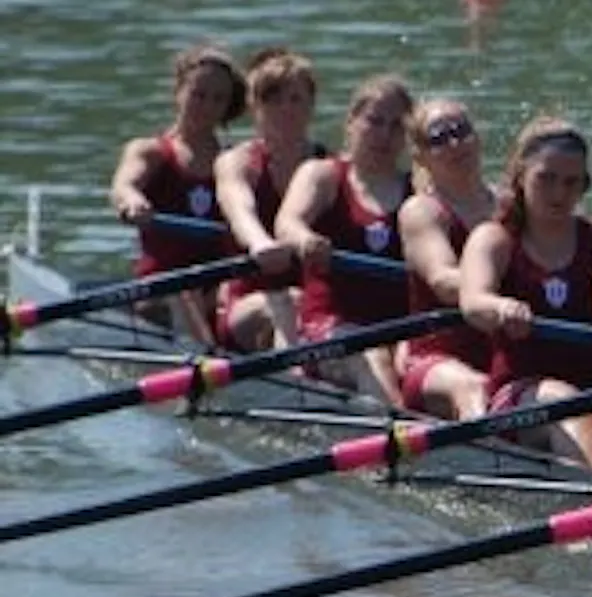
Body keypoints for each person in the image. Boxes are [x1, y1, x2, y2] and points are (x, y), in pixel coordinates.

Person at [458, 116, 592, 471]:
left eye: (571, 183)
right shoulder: (495, 240)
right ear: (521, 176)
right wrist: (500, 307)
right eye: (547, 179)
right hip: (519, 397)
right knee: (561, 399)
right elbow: (472, 302)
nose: (558, 194)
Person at [274, 75, 414, 405]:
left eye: (396, 126)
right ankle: (399, 440)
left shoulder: (418, 191)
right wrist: (304, 239)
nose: (384, 135)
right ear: (351, 123)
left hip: (402, 329)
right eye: (375, 121)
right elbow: (287, 222)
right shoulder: (323, 175)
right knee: (374, 356)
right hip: (329, 328)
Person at [109, 44, 247, 346]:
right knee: (182, 294)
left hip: (218, 289)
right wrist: (132, 201)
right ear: (179, 91)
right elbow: (124, 185)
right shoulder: (151, 152)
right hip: (161, 289)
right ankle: (208, 364)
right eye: (198, 94)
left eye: (218, 99)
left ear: (228, 106)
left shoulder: (237, 162)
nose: (207, 106)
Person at [213, 47, 324, 352]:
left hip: (318, 310)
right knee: (289, 301)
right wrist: (260, 242)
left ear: (311, 105)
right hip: (246, 304)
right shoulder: (236, 163)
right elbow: (240, 209)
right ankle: (295, 386)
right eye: (273, 100)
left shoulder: (328, 168)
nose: (286, 110)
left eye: (295, 99)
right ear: (254, 107)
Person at [396, 98, 499, 419]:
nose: (455, 143)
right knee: (474, 387)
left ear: (477, 138)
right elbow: (443, 280)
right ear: (421, 157)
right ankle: (490, 461)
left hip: (502, 354)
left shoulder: (511, 204)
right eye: (439, 138)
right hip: (436, 359)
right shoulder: (421, 212)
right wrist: (506, 293)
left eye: (461, 130)